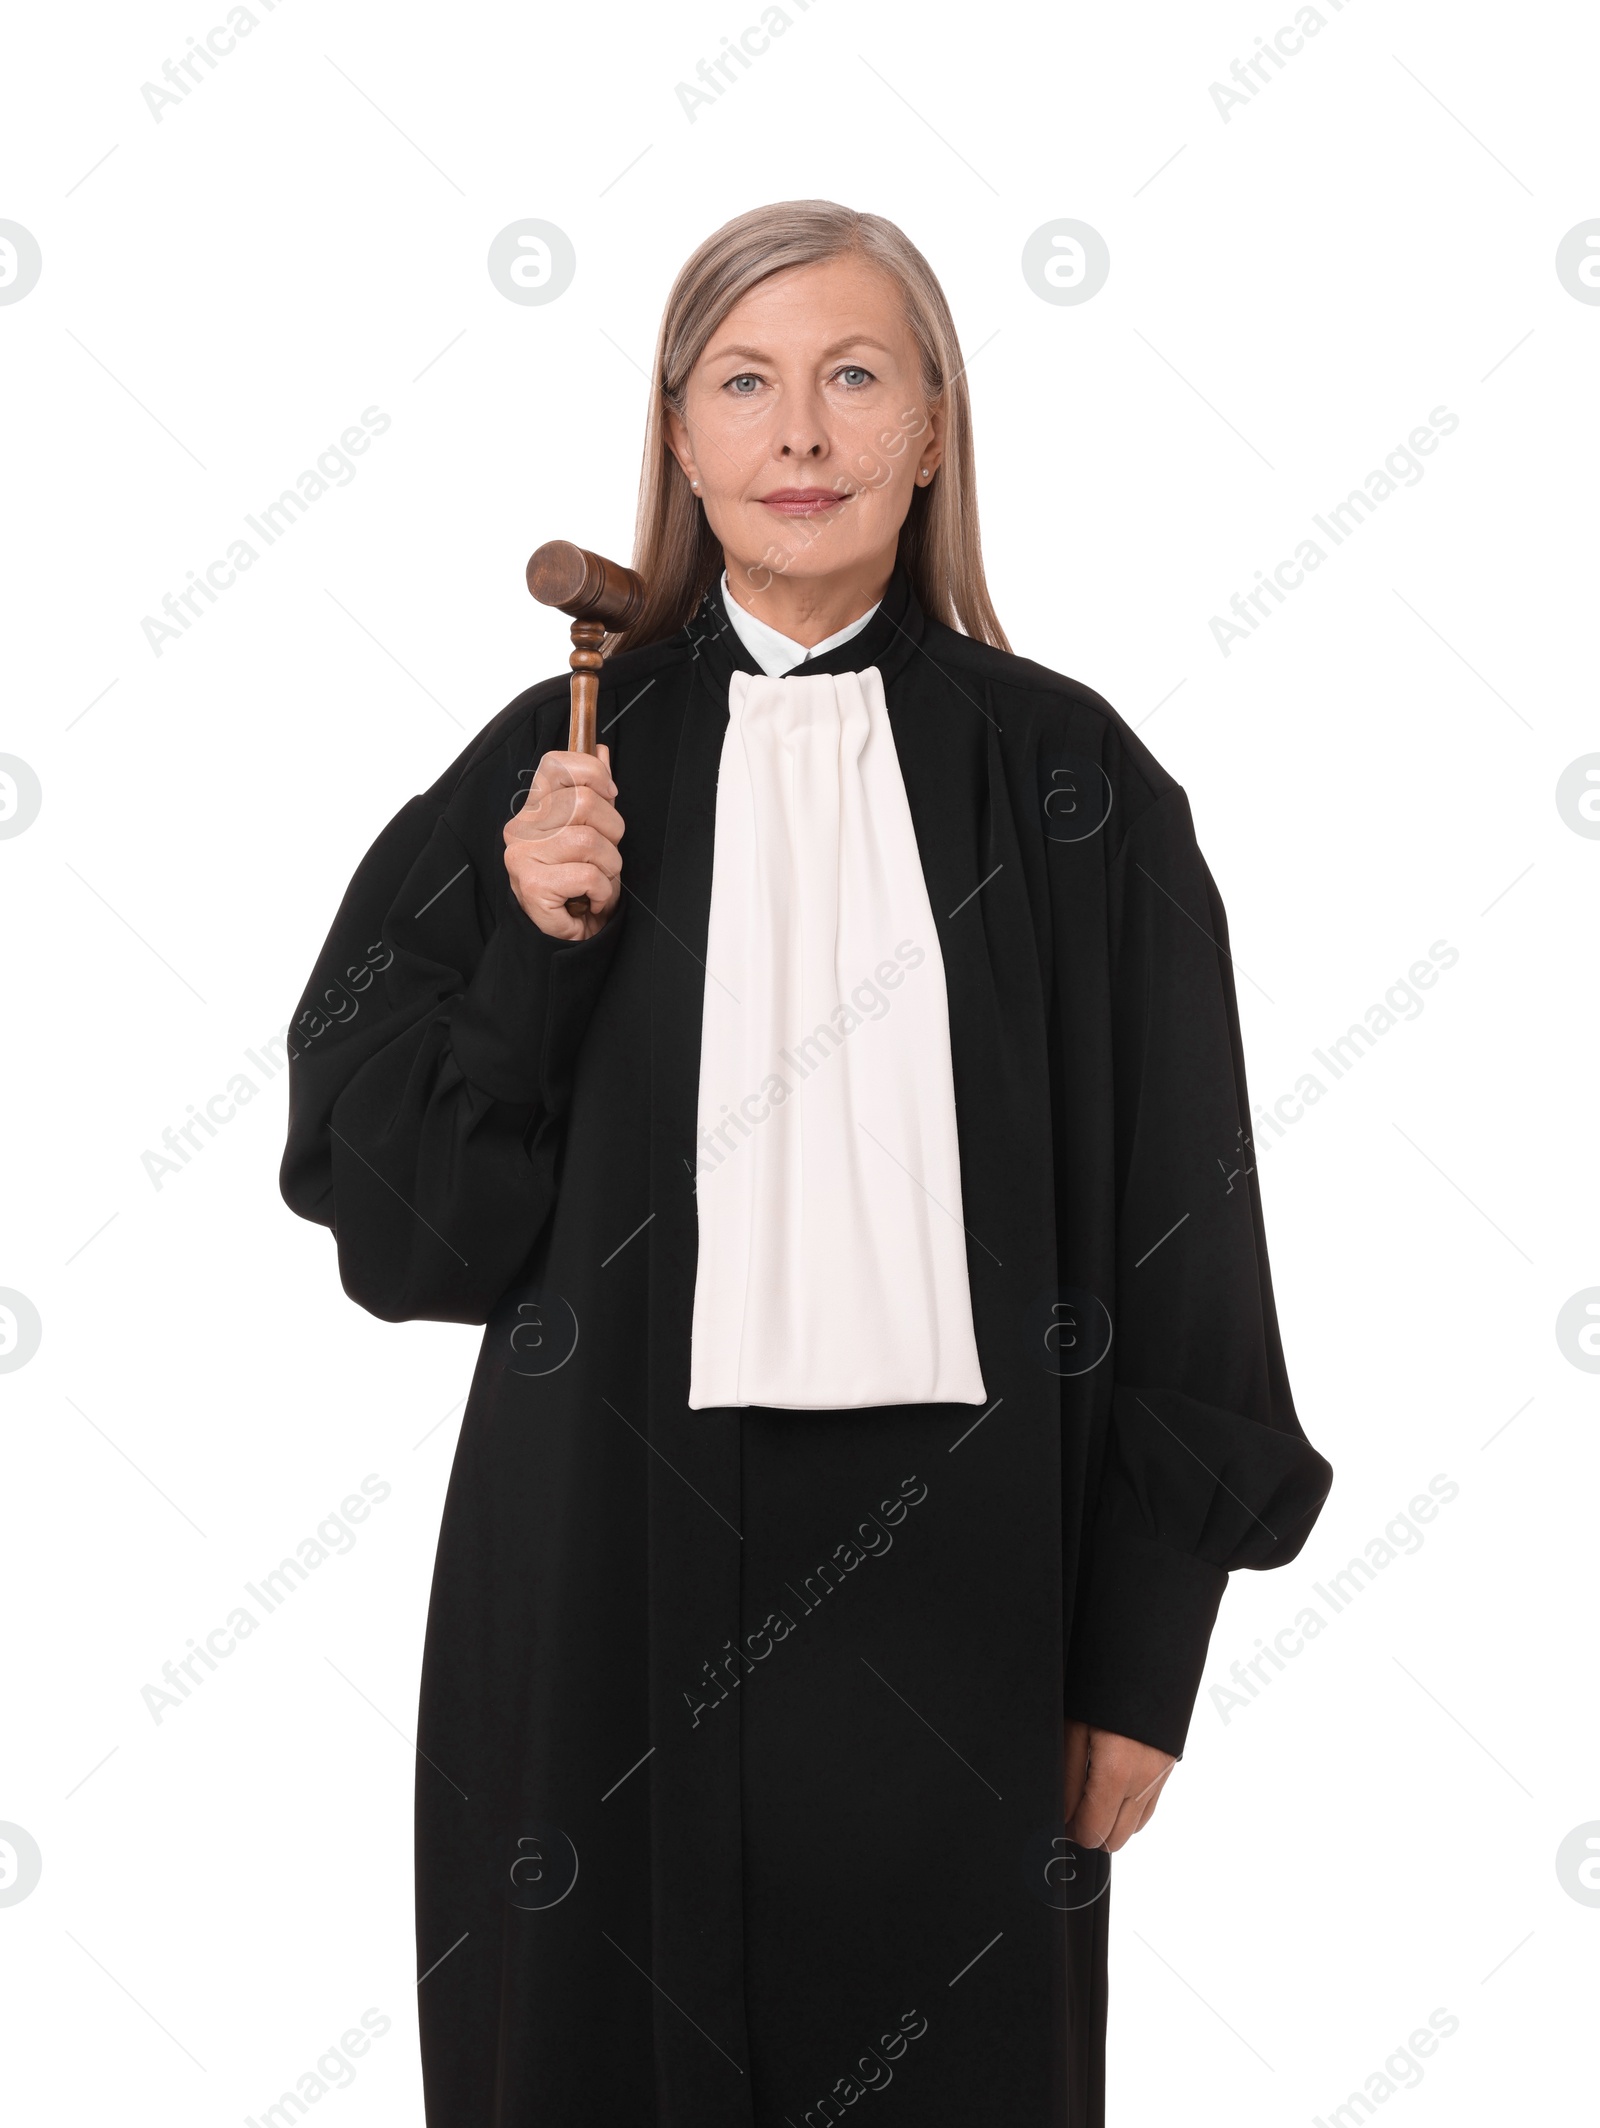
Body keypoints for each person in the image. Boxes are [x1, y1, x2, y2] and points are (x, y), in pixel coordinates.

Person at [280, 198, 1333, 2128]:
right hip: (594, 1596)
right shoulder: (544, 768)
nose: (801, 434)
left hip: (970, 1598)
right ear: (677, 435)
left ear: (933, 428)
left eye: (856, 377)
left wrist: (1146, 1651)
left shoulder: (1077, 786)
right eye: (746, 382)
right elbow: (415, 1247)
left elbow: (1195, 1242)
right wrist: (531, 950)